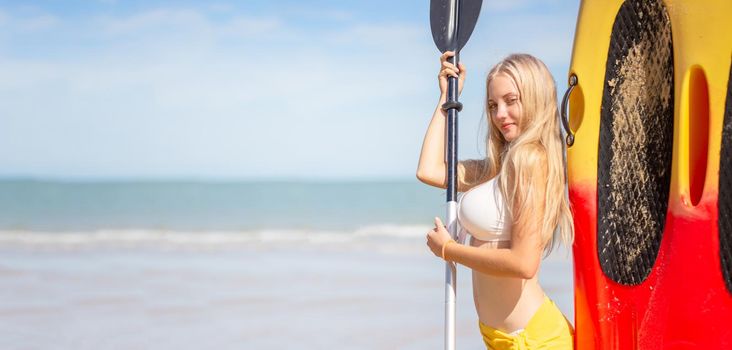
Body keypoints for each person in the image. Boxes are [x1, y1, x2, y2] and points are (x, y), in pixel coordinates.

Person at [416, 52, 575, 349]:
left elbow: (524, 262)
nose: (500, 114)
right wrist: (446, 100)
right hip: (502, 338)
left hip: (532, 341)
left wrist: (449, 250)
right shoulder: (497, 167)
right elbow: (429, 170)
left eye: (511, 101)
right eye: (492, 105)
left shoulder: (530, 160)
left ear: (535, 98)